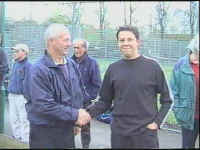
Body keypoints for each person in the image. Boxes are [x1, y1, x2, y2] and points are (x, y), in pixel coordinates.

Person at [86, 25, 172, 148]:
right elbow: (104, 101)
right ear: (118, 43)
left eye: (129, 39)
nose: (125, 43)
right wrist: (86, 114)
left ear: (138, 42)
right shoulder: (113, 69)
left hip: (145, 135)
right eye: (122, 40)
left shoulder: (153, 67)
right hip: (119, 135)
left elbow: (167, 100)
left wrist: (157, 123)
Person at [26, 23, 91, 149]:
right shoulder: (38, 69)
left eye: (69, 40)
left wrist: (76, 123)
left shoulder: (71, 64)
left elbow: (77, 94)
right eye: (65, 40)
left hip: (66, 130)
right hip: (45, 134)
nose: (70, 44)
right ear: (51, 41)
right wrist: (75, 115)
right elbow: (43, 105)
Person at [71, 39, 102, 148]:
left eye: (78, 47)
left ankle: (85, 146)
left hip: (84, 102)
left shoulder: (92, 63)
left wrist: (87, 97)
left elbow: (97, 84)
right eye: (74, 47)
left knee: (85, 128)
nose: (76, 50)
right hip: (69, 102)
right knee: (69, 128)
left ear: (85, 48)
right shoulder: (69, 61)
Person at [170, 34, 199, 148]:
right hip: (189, 116)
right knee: (187, 146)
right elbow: (172, 90)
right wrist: (178, 109)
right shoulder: (181, 65)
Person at [7, 43, 32, 144]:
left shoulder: (28, 66)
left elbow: (29, 83)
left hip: (21, 97)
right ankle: (16, 138)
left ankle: (25, 140)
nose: (15, 53)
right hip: (12, 95)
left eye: (17, 51)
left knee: (24, 119)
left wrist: (27, 97)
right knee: (13, 118)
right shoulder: (15, 63)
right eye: (14, 51)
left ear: (24, 52)